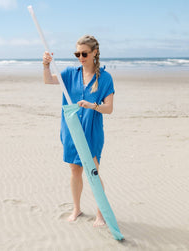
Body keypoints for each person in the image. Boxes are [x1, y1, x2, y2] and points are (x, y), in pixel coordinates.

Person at [42, 35, 115, 227]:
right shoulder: (69, 73)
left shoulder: (105, 78)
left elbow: (109, 108)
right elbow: (48, 81)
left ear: (94, 53)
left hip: (92, 131)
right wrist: (46, 65)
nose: (80, 57)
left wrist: (93, 106)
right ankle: (77, 209)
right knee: (75, 170)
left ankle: (101, 213)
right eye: (77, 54)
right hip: (71, 130)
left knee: (93, 172)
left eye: (84, 53)